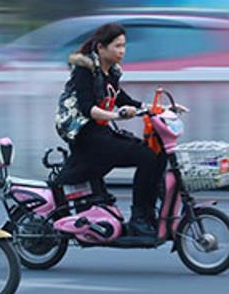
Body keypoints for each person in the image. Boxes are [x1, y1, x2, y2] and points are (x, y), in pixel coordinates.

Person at [55, 23, 186, 238]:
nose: (122, 51)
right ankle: (139, 218)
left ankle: (147, 213)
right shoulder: (84, 71)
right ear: (101, 48)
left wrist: (163, 109)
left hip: (101, 132)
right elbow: (88, 108)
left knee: (155, 154)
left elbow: (125, 101)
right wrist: (117, 116)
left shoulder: (111, 73)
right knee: (145, 156)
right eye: (117, 46)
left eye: (124, 46)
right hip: (84, 135)